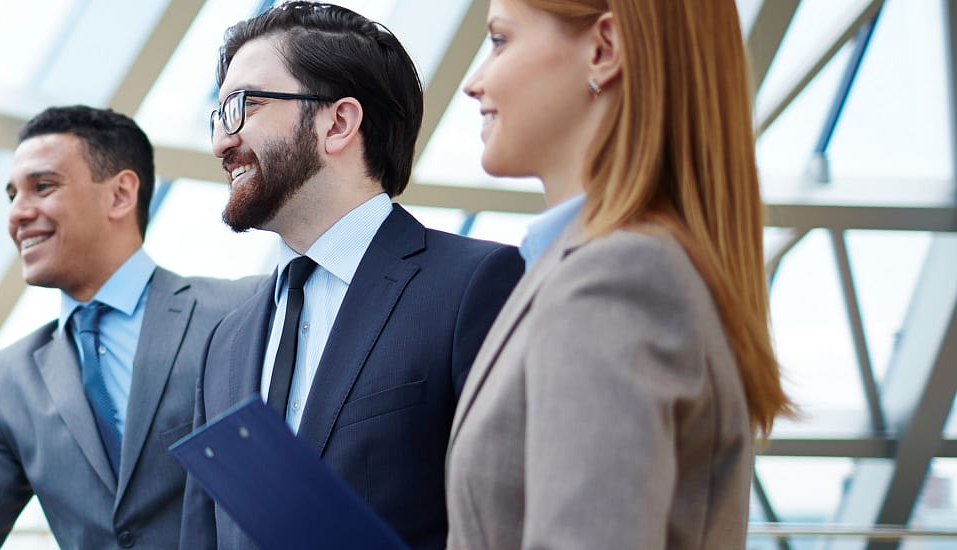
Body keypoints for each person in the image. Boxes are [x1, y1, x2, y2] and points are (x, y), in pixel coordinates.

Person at [446, 0, 790, 547]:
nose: (474, 82)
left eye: (501, 40)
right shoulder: (620, 267)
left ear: (604, 49)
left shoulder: (614, 281)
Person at [181, 3, 524, 549]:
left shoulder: (475, 285)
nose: (222, 143)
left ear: (338, 123)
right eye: (219, 116)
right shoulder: (226, 342)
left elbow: (513, 519)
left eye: (243, 106)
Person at [0, 106, 259, 549]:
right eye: (12, 196)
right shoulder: (11, 379)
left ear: (120, 195)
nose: (17, 214)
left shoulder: (242, 311)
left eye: (43, 187)